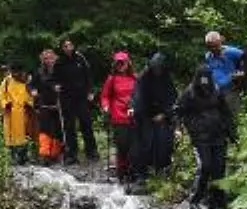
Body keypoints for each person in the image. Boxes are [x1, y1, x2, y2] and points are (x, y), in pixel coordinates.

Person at [173, 65, 237, 209]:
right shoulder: (190, 93)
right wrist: (178, 129)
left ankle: (217, 203)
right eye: (201, 79)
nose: (204, 83)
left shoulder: (216, 90)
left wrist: (232, 133)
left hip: (218, 135)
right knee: (205, 167)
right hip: (200, 137)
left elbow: (226, 113)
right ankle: (196, 200)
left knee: (219, 169)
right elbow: (178, 111)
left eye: (206, 79)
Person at [132, 52, 178, 178]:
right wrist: (147, 114)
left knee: (164, 144)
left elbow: (172, 98)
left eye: (159, 68)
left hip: (163, 116)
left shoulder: (166, 78)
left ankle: (161, 170)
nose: (157, 70)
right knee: (146, 144)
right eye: (155, 68)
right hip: (145, 116)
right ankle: (142, 173)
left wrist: (164, 114)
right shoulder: (143, 79)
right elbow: (138, 99)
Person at [55, 39, 99, 163]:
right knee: (69, 127)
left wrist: (90, 91)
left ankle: (92, 151)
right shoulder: (59, 62)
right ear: (62, 48)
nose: (68, 48)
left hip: (81, 97)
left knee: (86, 123)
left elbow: (88, 76)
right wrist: (56, 86)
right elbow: (54, 79)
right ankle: (72, 154)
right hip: (66, 98)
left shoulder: (80, 58)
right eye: (65, 46)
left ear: (73, 46)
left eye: (70, 45)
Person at [100, 51, 138, 183]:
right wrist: (106, 107)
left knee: (134, 145)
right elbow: (105, 96)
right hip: (118, 116)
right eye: (118, 63)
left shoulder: (134, 78)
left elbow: (139, 95)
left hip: (133, 115)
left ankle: (132, 171)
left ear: (128, 63)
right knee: (122, 145)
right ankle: (122, 171)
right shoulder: (112, 79)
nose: (121, 65)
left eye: (123, 63)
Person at [31, 49, 66, 165]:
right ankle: (44, 154)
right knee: (45, 130)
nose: (48, 60)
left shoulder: (61, 70)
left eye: (50, 58)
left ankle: (56, 154)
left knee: (58, 130)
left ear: (55, 58)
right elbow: (31, 85)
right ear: (42, 60)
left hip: (59, 104)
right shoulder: (39, 72)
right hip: (44, 104)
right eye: (46, 58)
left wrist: (61, 88)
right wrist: (33, 90)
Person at [203, 31, 247, 113]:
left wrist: (242, 72)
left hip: (230, 90)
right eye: (210, 47)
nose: (213, 49)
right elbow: (207, 71)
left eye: (215, 46)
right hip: (216, 92)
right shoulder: (208, 56)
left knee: (233, 114)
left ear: (220, 42)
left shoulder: (231, 52)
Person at [0, 64, 35, 165]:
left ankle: (24, 157)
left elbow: (30, 95)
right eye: (13, 72)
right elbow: (0, 95)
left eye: (17, 72)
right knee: (10, 136)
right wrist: (5, 104)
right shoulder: (7, 81)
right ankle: (12, 157)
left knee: (24, 135)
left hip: (23, 113)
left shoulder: (25, 81)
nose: (15, 74)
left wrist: (29, 103)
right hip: (10, 113)